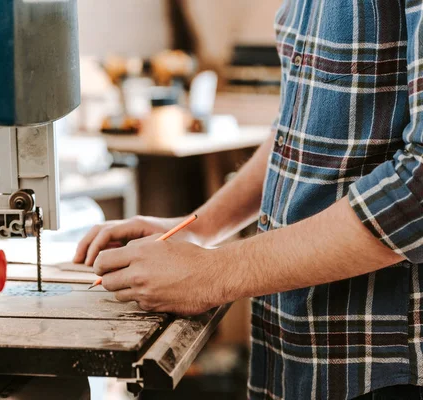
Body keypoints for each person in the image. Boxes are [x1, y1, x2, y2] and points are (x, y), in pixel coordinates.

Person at [74, 1, 423, 399]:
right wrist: (201, 228)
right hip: (299, 350)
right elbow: (298, 125)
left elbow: (417, 191)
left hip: (388, 371)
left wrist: (214, 273)